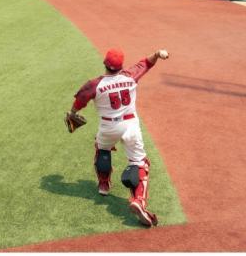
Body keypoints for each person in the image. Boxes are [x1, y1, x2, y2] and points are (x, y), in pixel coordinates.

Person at [68, 48, 170, 227]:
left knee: (102, 149)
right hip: (130, 126)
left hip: (108, 127)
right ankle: (138, 200)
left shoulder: (95, 84)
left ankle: (104, 185)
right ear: (120, 66)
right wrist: (157, 54)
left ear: (105, 63)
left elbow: (80, 99)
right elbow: (146, 63)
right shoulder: (130, 76)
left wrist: (73, 112)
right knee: (139, 163)